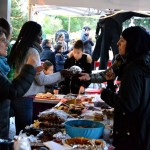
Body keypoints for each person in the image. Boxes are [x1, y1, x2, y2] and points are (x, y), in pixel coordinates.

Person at [79, 26, 150, 150]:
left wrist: (105, 93)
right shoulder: (143, 62)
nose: (117, 43)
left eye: (122, 40)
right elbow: (109, 73)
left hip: (133, 133)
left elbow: (128, 104)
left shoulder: (133, 69)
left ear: (133, 43)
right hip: (143, 130)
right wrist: (93, 78)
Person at [8, 21, 68, 135]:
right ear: (34, 36)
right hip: (25, 98)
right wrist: (61, 74)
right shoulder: (32, 52)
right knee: (24, 134)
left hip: (17, 95)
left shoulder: (20, 49)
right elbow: (42, 80)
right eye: (40, 35)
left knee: (19, 133)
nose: (41, 38)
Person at [0, 28, 41, 139]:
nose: (7, 44)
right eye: (3, 40)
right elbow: (13, 90)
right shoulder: (32, 52)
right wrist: (30, 66)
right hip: (23, 99)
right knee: (23, 133)